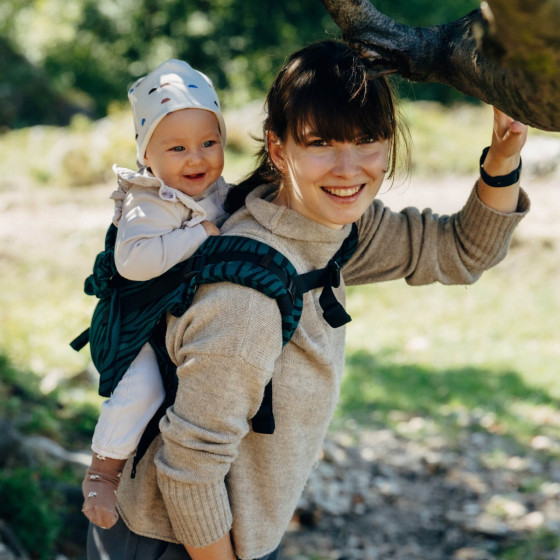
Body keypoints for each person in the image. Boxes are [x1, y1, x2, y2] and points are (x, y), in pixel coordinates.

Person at [87, 40, 529, 560]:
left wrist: (503, 156)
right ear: (278, 149)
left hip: (229, 535)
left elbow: (460, 251)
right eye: (321, 143)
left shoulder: (326, 228)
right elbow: (190, 471)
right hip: (175, 542)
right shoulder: (245, 298)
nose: (347, 168)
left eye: (367, 139)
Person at [81, 58, 230, 530]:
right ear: (148, 155)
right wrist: (199, 235)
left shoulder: (214, 187)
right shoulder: (147, 201)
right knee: (143, 388)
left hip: (176, 313)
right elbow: (134, 262)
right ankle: (103, 472)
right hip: (137, 322)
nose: (197, 158)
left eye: (210, 143)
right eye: (178, 148)